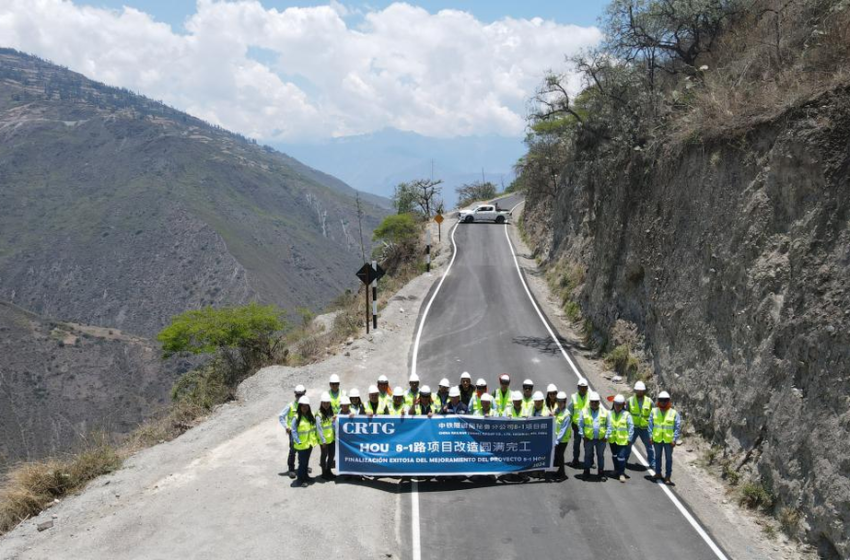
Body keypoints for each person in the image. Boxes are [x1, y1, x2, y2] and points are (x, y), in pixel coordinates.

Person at [649, 391, 681, 485]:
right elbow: (650, 425)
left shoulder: (674, 413)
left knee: (668, 459)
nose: (663, 402)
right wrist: (651, 436)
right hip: (657, 439)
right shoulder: (654, 411)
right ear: (658, 401)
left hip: (668, 440)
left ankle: (667, 477)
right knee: (657, 457)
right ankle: (658, 473)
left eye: (665, 400)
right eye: (661, 400)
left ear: (668, 401)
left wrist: (674, 439)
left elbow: (677, 427)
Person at [278, 384, 306, 479]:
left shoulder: (306, 405)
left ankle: (301, 467)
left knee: (302, 450)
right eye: (298, 395)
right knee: (293, 450)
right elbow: (281, 416)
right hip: (293, 433)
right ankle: (291, 469)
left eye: (301, 395)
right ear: (295, 395)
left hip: (304, 432)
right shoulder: (290, 406)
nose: (299, 397)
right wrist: (286, 427)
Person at [579, 392, 609, 481]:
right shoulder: (584, 411)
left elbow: (609, 425)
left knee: (600, 456)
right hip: (588, 439)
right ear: (590, 402)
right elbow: (580, 425)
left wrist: (606, 436)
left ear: (599, 402)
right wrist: (583, 436)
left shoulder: (605, 412)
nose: (594, 403)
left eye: (596, 402)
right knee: (587, 456)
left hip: (601, 439)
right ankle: (586, 472)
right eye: (592, 402)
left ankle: (601, 472)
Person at [290, 395, 318, 487]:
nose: (305, 408)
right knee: (302, 463)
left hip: (309, 444)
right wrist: (298, 441)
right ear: (300, 407)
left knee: (306, 462)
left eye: (306, 406)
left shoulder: (310, 416)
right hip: (301, 445)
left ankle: (306, 477)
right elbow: (293, 430)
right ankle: (300, 480)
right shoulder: (296, 417)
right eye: (303, 406)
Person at [626, 381, 654, 469]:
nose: (640, 392)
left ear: (644, 391)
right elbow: (626, 414)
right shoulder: (630, 400)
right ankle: (624, 460)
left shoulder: (649, 401)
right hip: (633, 428)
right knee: (628, 444)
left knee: (649, 446)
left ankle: (653, 463)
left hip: (645, 428)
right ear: (635, 390)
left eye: (641, 390)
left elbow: (654, 414)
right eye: (638, 390)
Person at [607, 394, 634, 483]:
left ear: (623, 405)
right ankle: (616, 470)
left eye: (620, 405)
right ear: (613, 404)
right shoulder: (609, 414)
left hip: (623, 441)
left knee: (621, 457)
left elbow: (631, 427)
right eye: (616, 404)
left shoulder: (627, 415)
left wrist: (630, 439)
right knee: (614, 455)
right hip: (612, 439)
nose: (618, 406)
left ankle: (621, 473)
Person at [568, 378, 590, 468]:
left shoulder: (591, 397)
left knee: (588, 445)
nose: (582, 389)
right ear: (578, 387)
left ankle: (589, 460)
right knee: (576, 443)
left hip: (588, 425)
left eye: (584, 387)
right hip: (576, 425)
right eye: (581, 387)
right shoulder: (574, 397)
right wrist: (568, 426)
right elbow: (569, 412)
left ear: (587, 388)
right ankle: (575, 460)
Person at [551, 391, 573, 481]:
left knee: (560, 455)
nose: (560, 403)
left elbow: (563, 430)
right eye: (558, 401)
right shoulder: (557, 410)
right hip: (557, 438)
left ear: (565, 402)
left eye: (562, 402)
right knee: (558, 454)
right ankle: (560, 471)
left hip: (562, 439)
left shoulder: (566, 414)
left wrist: (557, 441)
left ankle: (562, 473)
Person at [316, 392, 337, 480]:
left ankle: (329, 471)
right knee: (324, 456)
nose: (326, 405)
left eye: (327, 403)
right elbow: (319, 429)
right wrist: (323, 440)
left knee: (332, 455)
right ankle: (324, 473)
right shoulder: (319, 414)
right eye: (324, 403)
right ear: (321, 403)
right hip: (324, 441)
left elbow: (333, 425)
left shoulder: (331, 412)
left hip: (331, 439)